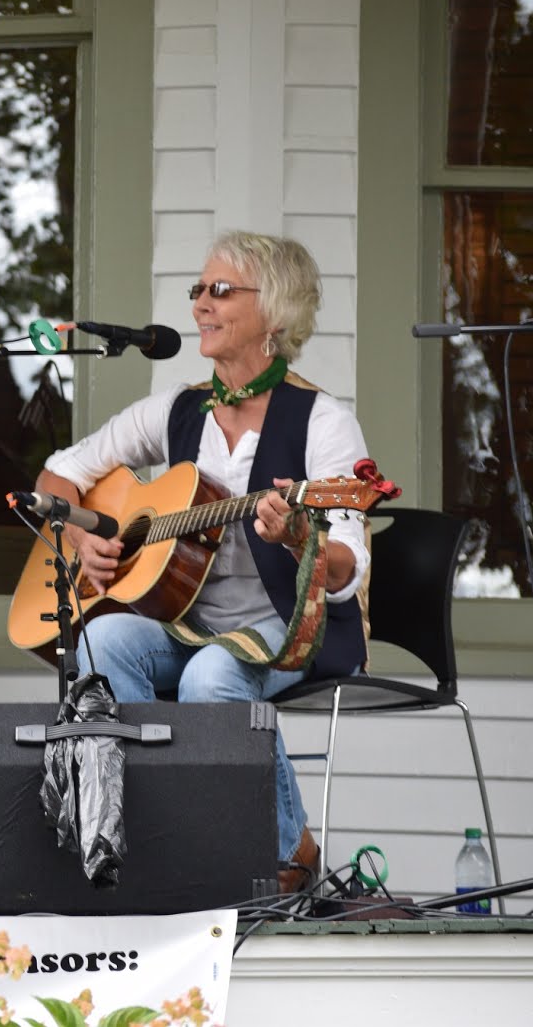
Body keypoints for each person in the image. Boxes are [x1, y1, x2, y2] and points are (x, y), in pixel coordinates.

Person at [32, 230, 371, 895]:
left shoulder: (322, 422)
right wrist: (78, 539)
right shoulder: (179, 410)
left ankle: (287, 851)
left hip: (287, 621)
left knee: (212, 677)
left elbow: (347, 563)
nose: (200, 306)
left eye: (221, 291)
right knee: (101, 638)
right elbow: (57, 477)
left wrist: (302, 536)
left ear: (273, 313)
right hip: (185, 619)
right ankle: (163, 832)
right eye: (198, 290)